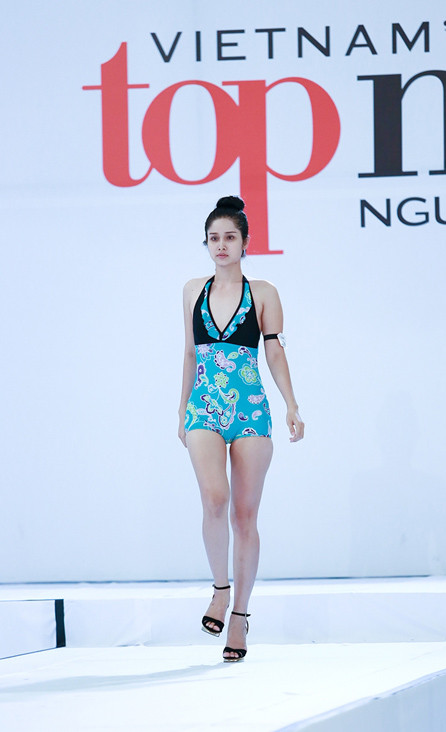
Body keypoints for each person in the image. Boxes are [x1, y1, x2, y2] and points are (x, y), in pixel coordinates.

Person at [178, 195, 304, 662]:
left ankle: (240, 616)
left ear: (245, 242)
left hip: (250, 409)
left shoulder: (264, 292)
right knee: (215, 498)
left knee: (245, 516)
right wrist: (181, 409)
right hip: (203, 407)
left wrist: (291, 404)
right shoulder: (193, 290)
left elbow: (274, 350)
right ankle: (220, 589)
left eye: (230, 237)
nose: (221, 245)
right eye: (214, 238)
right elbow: (189, 352)